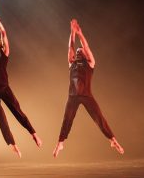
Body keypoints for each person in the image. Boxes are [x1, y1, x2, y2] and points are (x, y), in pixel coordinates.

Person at [53, 19, 124, 158]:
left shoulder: (90, 63)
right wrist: (72, 32)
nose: (79, 51)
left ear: (85, 54)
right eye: (77, 51)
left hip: (87, 96)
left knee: (99, 118)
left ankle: (113, 140)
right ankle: (60, 143)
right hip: (73, 96)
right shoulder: (71, 63)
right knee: (67, 119)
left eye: (81, 51)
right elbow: (71, 47)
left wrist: (80, 33)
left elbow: (85, 46)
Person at [0, 3, 42, 157]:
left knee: (17, 111)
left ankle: (33, 133)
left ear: (1, 45)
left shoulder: (5, 53)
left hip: (4, 87)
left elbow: (3, 32)